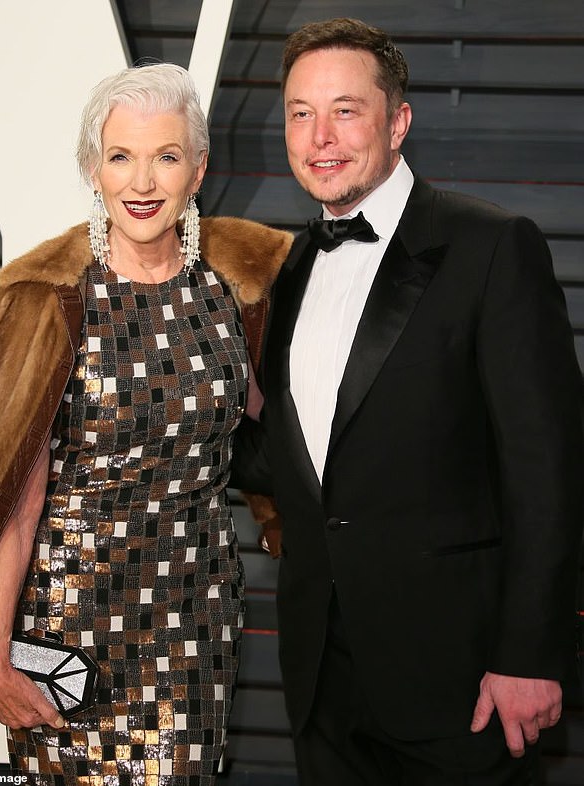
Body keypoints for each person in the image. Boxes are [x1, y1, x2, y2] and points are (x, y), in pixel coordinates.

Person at [232, 17, 584, 786]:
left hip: (459, 681)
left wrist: (530, 654)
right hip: (322, 676)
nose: (319, 136)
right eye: (299, 113)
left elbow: (549, 470)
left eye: (346, 110)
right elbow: (289, 459)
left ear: (399, 123)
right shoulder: (288, 269)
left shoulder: (492, 248)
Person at [0, 63, 291, 784]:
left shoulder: (237, 290)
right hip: (68, 622)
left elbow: (288, 428)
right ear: (92, 169)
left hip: (191, 619)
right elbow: (17, 497)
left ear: (197, 170)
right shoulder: (53, 299)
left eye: (166, 156)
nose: (143, 181)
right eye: (120, 156)